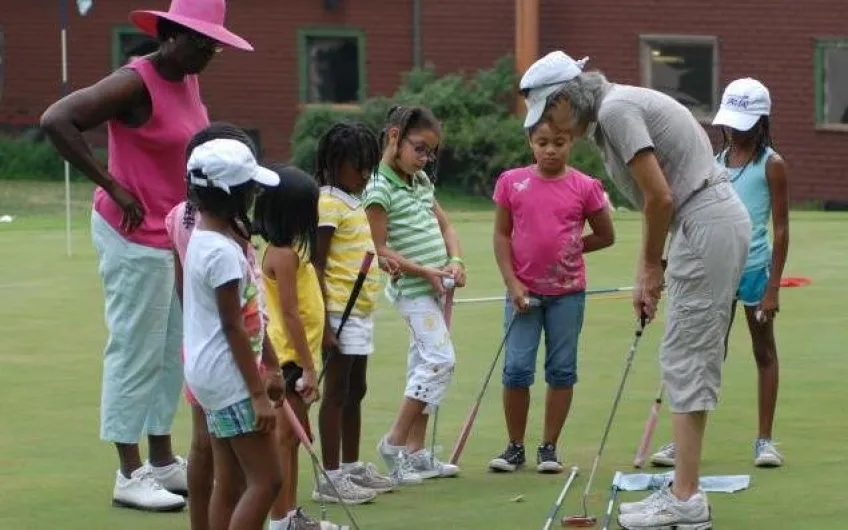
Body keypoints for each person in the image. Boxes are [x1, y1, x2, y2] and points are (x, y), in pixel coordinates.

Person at [519, 51, 751, 530]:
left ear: (565, 98)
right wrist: (660, 263)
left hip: (705, 220)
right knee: (681, 354)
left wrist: (649, 267)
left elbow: (660, 195)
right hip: (700, 223)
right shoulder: (612, 114)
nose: (545, 124)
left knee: (687, 357)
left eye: (545, 111)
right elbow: (666, 198)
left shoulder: (615, 110)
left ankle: (686, 500)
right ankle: (684, 492)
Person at [39, 0, 254, 511]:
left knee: (171, 351)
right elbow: (57, 119)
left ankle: (161, 459)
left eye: (213, 45)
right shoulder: (134, 82)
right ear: (171, 34)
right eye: (201, 42)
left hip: (176, 233)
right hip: (132, 234)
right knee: (135, 348)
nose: (209, 52)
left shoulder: (188, 77)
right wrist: (113, 186)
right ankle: (128, 471)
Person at [648, 78, 789, 470]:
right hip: (713, 268)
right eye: (732, 122)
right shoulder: (714, 163)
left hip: (756, 271)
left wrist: (774, 287)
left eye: (745, 122)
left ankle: (764, 440)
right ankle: (684, 441)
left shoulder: (772, 165)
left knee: (764, 350)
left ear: (761, 121)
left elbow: (780, 228)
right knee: (706, 351)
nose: (736, 129)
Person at [165, 122, 285, 530]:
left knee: (231, 481)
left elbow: (249, 321)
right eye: (250, 188)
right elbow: (235, 326)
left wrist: (271, 364)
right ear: (234, 195)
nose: (255, 194)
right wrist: (257, 393)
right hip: (232, 380)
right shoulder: (222, 253)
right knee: (268, 481)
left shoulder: (203, 236)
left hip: (210, 376)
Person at [489, 118, 615, 474]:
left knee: (561, 371)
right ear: (531, 141)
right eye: (542, 142)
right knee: (515, 370)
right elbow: (501, 236)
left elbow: (606, 235)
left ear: (570, 141)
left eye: (558, 142)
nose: (550, 149)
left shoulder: (585, 186)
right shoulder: (512, 182)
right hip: (523, 292)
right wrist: (512, 283)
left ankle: (549, 447)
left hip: (567, 293)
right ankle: (515, 447)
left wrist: (574, 247)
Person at [362, 105, 465, 484]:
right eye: (419, 148)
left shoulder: (419, 182)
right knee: (440, 361)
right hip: (413, 290)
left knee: (422, 364)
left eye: (430, 152)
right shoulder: (378, 187)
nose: (425, 158)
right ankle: (394, 443)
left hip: (437, 286)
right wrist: (427, 271)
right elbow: (379, 249)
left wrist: (455, 260)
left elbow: (446, 225)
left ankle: (417, 453)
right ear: (394, 137)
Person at [255, 165, 348, 530]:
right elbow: (291, 315)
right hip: (290, 359)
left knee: (292, 439)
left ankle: (291, 514)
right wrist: (309, 369)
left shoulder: (292, 248)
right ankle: (282, 520)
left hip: (298, 355)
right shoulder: (283, 254)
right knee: (284, 439)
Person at [313, 122, 395, 505]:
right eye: (356, 167)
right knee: (336, 392)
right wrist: (324, 322)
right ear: (334, 163)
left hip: (358, 311)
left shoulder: (351, 200)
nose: (364, 175)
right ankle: (329, 478)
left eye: (368, 167)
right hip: (336, 311)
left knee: (355, 389)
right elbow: (315, 263)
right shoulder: (328, 201)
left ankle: (350, 465)